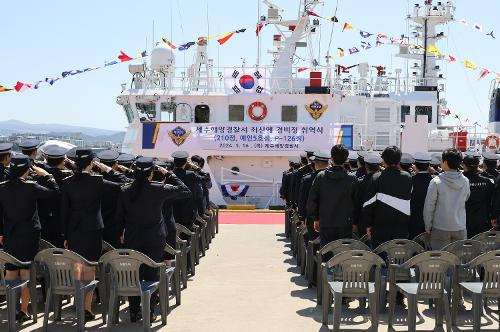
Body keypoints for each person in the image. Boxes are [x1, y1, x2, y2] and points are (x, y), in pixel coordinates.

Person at [116, 157, 191, 322]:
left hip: (132, 238)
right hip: (154, 239)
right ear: (151, 173)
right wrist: (169, 173)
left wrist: (119, 234)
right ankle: (149, 311)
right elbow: (184, 189)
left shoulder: (125, 190)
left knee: (134, 274)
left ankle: (134, 312)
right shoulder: (157, 189)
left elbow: (119, 217)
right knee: (151, 275)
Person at [61, 148, 122, 320]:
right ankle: (86, 308)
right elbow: (123, 184)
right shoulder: (97, 181)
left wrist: (64, 234)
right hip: (93, 228)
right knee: (89, 268)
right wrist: (109, 170)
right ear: (91, 163)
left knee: (76, 267)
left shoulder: (67, 182)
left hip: (73, 229)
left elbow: (64, 211)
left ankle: (77, 303)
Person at [0, 154, 59, 321]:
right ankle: (24, 310)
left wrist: (1, 232)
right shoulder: (31, 187)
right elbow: (55, 193)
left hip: (10, 234)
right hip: (29, 235)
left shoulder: (3, 187)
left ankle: (12, 309)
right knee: (25, 272)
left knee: (11, 272)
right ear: (27, 170)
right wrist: (47, 176)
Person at [307, 144, 359, 252]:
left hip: (326, 223)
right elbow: (357, 203)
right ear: (346, 160)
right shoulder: (352, 178)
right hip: (346, 224)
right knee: (343, 255)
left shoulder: (321, 176)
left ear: (331, 158)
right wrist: (355, 222)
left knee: (326, 254)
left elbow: (312, 201)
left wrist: (316, 218)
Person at [362, 146, 412, 248]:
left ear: (383, 161)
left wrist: (367, 225)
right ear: (399, 160)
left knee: (381, 258)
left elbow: (368, 204)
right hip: (401, 228)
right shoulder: (407, 177)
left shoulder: (377, 177)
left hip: (380, 228)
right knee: (398, 258)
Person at [424, 148, 470, 250]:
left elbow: (429, 206)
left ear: (445, 162)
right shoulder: (465, 181)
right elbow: (466, 198)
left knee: (440, 261)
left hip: (440, 227)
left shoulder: (436, 181)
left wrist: (428, 225)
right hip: (460, 226)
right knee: (457, 260)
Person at [38, 146, 73, 247]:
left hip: (43, 220)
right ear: (63, 161)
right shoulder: (67, 178)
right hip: (60, 222)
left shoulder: (39, 176)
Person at [96, 149, 131, 248]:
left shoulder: (95, 178)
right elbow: (129, 183)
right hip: (115, 224)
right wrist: (111, 171)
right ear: (115, 164)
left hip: (97, 223)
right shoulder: (119, 179)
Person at [298, 151, 330, 241]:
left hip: (313, 219)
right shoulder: (335, 178)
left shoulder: (307, 179)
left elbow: (303, 200)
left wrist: (302, 217)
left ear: (315, 163)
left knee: (312, 245)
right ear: (328, 163)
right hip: (332, 219)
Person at [462, 152, 495, 237]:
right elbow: (494, 183)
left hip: (463, 221)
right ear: (477, 166)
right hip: (483, 221)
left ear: (464, 166)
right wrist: (484, 172)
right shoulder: (486, 181)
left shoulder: (460, 181)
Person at [171, 151, 202, 230]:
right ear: (185, 163)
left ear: (174, 162)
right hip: (187, 209)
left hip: (172, 210)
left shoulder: (170, 174)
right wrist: (196, 167)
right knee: (187, 235)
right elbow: (206, 178)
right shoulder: (190, 174)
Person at [354, 152, 382, 238]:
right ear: (379, 166)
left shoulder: (360, 182)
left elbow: (356, 203)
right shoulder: (384, 181)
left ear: (365, 166)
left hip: (362, 222)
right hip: (380, 221)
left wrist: (354, 222)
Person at [409, 152, 434, 239]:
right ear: (428, 166)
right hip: (432, 220)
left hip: (414, 220)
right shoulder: (434, 181)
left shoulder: (411, 180)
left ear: (415, 165)